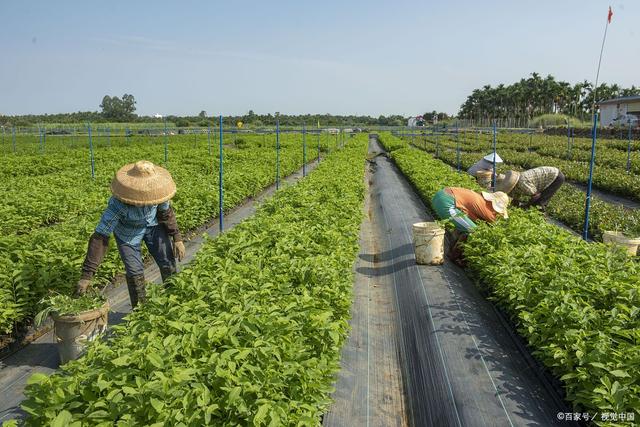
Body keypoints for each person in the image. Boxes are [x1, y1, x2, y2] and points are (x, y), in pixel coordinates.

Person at [76, 160, 186, 308]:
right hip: (128, 233)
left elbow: (166, 213)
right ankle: (140, 311)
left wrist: (177, 237)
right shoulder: (118, 204)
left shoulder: (157, 191)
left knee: (167, 259)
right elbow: (101, 236)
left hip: (153, 226)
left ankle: (174, 302)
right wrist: (87, 275)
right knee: (134, 271)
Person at [431, 187, 510, 265]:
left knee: (465, 225)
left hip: (441, 196)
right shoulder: (487, 211)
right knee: (473, 230)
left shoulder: (479, 198)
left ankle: (452, 251)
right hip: (446, 203)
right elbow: (492, 223)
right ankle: (454, 256)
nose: (496, 213)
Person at [496, 167, 564, 210]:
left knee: (540, 202)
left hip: (556, 177)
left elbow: (536, 196)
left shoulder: (522, 183)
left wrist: (527, 205)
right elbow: (515, 200)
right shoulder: (515, 186)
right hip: (550, 176)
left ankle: (541, 219)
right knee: (536, 203)